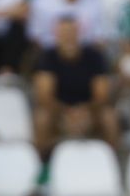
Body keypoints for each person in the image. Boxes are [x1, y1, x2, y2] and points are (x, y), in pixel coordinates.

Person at [32, 15, 119, 150]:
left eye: (71, 32)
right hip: (58, 112)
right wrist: (66, 111)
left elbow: (101, 95)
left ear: (79, 33)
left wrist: (84, 110)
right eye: (64, 32)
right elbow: (44, 95)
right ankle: (42, 162)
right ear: (57, 34)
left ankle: (112, 160)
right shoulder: (47, 57)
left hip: (89, 111)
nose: (68, 36)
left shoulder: (94, 56)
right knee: (42, 117)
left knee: (109, 116)